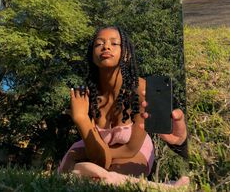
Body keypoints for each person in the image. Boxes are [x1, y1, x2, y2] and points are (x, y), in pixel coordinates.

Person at [58, 26, 189, 187]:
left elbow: (130, 149)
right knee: (65, 179)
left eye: (114, 43)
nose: (106, 47)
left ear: (126, 54)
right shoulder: (86, 96)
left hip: (133, 150)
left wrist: (104, 159)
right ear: (92, 55)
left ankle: (168, 188)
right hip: (92, 149)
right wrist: (81, 119)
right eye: (99, 44)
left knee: (110, 181)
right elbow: (97, 153)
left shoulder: (142, 90)